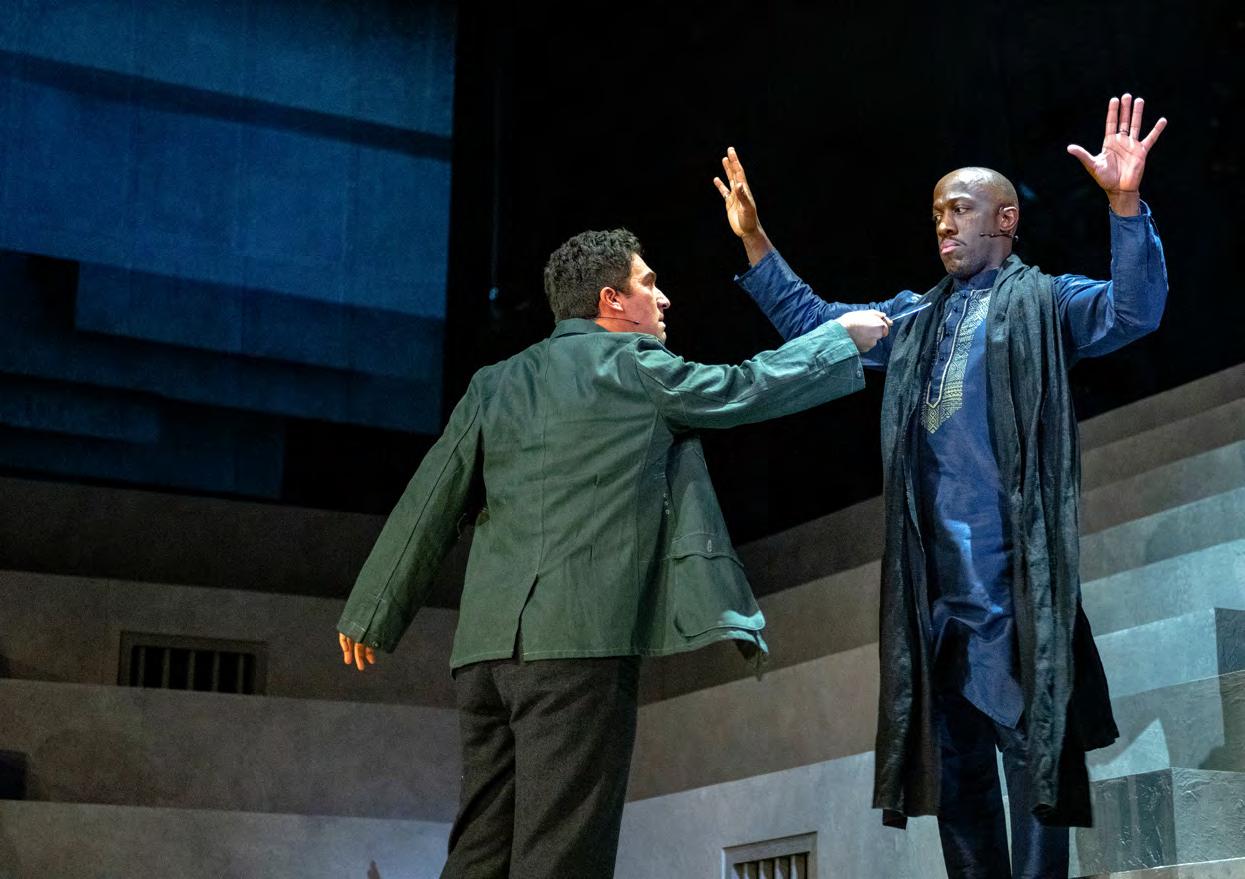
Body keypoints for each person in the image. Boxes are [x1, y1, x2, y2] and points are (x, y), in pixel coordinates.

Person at [334, 228, 891, 879]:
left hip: (484, 655)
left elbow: (431, 498)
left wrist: (372, 612)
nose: (664, 298)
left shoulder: (494, 383)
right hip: (577, 646)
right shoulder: (635, 366)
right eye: (649, 283)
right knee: (561, 851)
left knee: (480, 850)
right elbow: (743, 387)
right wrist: (836, 340)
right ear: (611, 300)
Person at [714, 94, 1168, 878]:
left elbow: (1135, 309)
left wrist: (1124, 206)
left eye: (959, 210)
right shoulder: (914, 319)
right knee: (956, 786)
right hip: (932, 599)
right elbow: (820, 326)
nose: (943, 225)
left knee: (1033, 769)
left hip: (1009, 586)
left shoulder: (1043, 301)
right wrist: (755, 240)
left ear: (1004, 220)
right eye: (935, 214)